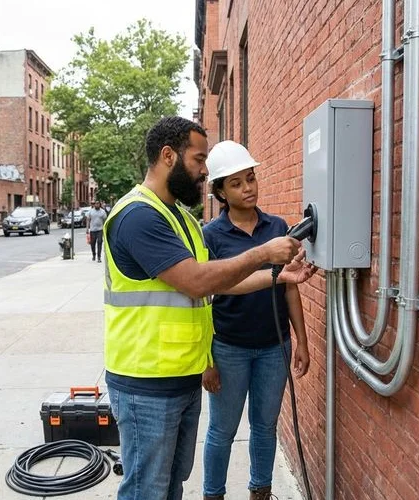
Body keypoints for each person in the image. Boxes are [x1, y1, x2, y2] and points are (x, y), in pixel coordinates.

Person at [104, 116, 316, 500]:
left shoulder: (179, 218)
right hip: (145, 382)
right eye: (200, 160)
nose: (204, 171)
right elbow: (197, 281)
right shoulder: (138, 216)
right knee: (146, 489)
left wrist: (281, 277)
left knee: (169, 485)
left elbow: (220, 283)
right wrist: (264, 254)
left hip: (178, 374)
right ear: (169, 156)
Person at [200, 141, 311, 500]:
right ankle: (213, 494)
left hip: (273, 347)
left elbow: (289, 287)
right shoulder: (211, 236)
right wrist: (206, 361)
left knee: (264, 427)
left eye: (250, 178)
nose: (248, 188)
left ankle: (259, 493)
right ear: (219, 191)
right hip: (228, 348)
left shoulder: (277, 227)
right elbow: (204, 298)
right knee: (222, 430)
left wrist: (301, 342)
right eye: (236, 183)